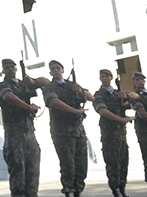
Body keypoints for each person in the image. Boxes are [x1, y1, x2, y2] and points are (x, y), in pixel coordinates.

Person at [0, 58, 48, 197]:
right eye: (7, 68)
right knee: (18, 179)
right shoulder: (3, 85)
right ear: (3, 71)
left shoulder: (23, 84)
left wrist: (33, 82)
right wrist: (28, 107)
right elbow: (8, 96)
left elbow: (47, 82)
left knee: (33, 175)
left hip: (30, 134)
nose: (10, 69)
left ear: (16, 68)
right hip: (14, 136)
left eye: (12, 67)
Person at [42, 60, 94, 197]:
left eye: (58, 68)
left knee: (81, 164)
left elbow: (91, 97)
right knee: (68, 164)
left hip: (78, 129)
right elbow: (54, 102)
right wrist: (74, 111)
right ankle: (69, 191)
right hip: (62, 131)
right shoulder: (49, 87)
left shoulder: (72, 85)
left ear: (63, 70)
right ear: (50, 72)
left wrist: (81, 90)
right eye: (52, 69)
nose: (55, 70)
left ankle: (78, 191)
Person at [92, 69, 134, 197]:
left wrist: (127, 96)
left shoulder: (118, 93)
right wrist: (122, 119)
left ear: (111, 78)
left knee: (123, 163)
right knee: (113, 164)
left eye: (106, 76)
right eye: (102, 77)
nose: (104, 78)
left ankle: (122, 188)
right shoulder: (99, 94)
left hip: (121, 135)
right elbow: (103, 111)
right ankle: (115, 190)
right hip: (109, 135)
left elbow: (137, 98)